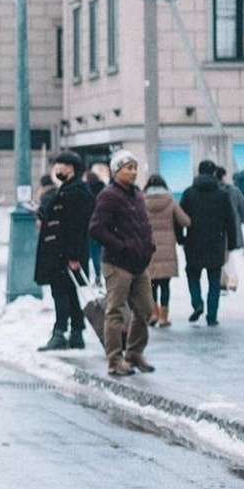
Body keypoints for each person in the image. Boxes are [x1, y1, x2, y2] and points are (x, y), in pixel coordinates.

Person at [88, 149, 155, 377]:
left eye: (135, 168)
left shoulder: (137, 194)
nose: (134, 172)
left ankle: (134, 352)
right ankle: (114, 360)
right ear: (117, 171)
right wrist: (121, 246)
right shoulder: (108, 195)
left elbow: (143, 224)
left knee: (145, 309)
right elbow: (96, 228)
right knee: (115, 312)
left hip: (139, 263)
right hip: (118, 264)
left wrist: (149, 246)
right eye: (129, 168)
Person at [33, 152, 93, 351]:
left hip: (65, 255)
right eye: (57, 165)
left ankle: (59, 332)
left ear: (72, 169)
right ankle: (76, 333)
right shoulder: (68, 189)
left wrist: (74, 256)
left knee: (61, 292)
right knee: (70, 292)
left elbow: (77, 226)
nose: (57, 169)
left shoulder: (77, 192)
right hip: (60, 254)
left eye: (62, 165)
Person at [179, 160, 241, 327]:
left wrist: (180, 238)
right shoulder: (222, 195)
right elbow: (230, 220)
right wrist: (232, 243)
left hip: (193, 242)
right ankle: (212, 316)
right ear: (214, 173)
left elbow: (178, 218)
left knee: (193, 275)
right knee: (214, 281)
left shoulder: (188, 193)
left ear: (198, 172)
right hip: (216, 243)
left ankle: (197, 303)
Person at [143, 173, 189, 328]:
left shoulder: (141, 202)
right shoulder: (170, 201)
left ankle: (153, 313)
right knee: (165, 285)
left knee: (151, 283)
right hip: (167, 248)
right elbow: (185, 221)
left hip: (148, 247)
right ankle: (163, 317)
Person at [84, 163, 109, 283]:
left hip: (91, 225)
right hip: (103, 224)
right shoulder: (104, 189)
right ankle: (105, 273)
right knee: (103, 250)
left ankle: (98, 275)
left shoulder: (85, 191)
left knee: (94, 252)